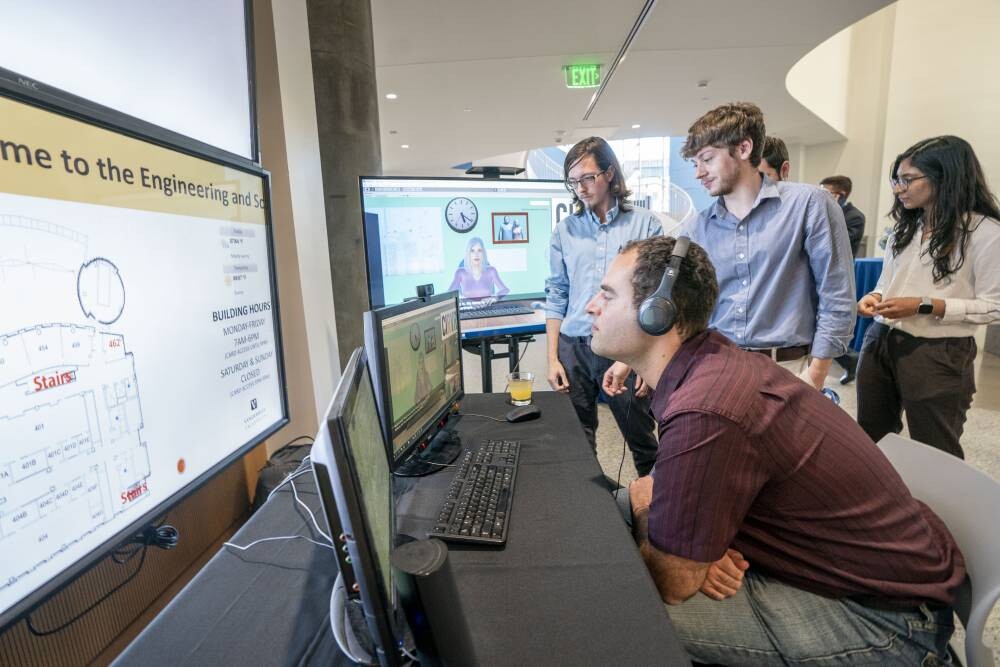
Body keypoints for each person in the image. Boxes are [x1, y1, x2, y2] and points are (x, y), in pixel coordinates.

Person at [593, 235, 965, 665]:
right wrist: (697, 547)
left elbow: (673, 580)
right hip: (867, 576)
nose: (591, 306)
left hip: (888, 624)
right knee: (611, 515)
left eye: (607, 295)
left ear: (659, 313)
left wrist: (652, 515)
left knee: (608, 609)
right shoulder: (709, 362)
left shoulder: (706, 407)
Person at [681, 102, 855, 390]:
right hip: (718, 366)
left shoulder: (808, 204)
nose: (699, 173)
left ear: (744, 148)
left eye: (707, 159)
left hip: (788, 369)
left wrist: (816, 374)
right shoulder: (697, 227)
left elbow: (836, 292)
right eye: (694, 164)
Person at [857, 136, 1000, 459]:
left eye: (908, 179)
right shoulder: (906, 227)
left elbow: (995, 307)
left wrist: (925, 305)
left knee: (935, 449)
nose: (899, 188)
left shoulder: (985, 232)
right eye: (896, 180)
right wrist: (875, 295)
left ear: (944, 177)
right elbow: (887, 281)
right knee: (870, 438)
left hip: (938, 351)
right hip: (880, 340)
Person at [545, 136, 661, 476]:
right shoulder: (564, 231)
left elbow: (652, 297)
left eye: (587, 177)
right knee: (578, 444)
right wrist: (552, 358)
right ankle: (591, 506)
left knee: (641, 440)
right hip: (574, 348)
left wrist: (640, 360)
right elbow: (556, 293)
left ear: (609, 173)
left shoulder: (645, 224)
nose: (580, 188)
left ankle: (655, 505)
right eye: (573, 181)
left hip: (624, 348)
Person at [820, 174, 867, 384]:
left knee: (829, 328)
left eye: (825, 193)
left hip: (838, 279)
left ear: (839, 195)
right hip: (820, 275)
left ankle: (851, 359)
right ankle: (849, 360)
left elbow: (837, 242)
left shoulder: (855, 216)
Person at [448, 237, 509, 303]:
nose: (476, 255)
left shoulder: (491, 271)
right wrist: (461, 300)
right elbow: (449, 294)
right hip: (468, 308)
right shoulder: (460, 272)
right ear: (468, 253)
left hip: (488, 308)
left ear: (483, 253)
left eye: (479, 250)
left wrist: (494, 298)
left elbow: (505, 289)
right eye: (472, 251)